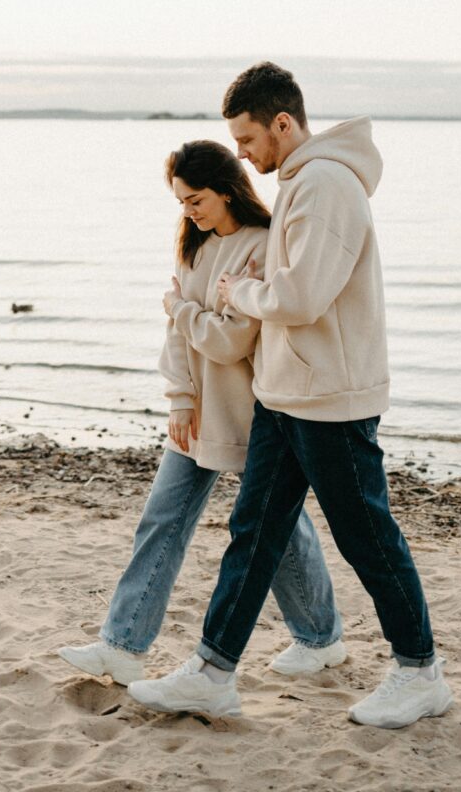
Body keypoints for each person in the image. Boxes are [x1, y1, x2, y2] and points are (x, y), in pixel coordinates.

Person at [128, 64, 453, 728]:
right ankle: (214, 672)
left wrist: (232, 293)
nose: (242, 156)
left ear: (283, 123)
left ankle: (421, 672)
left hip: (329, 399)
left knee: (367, 537)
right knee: (253, 535)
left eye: (248, 140)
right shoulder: (305, 183)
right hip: (283, 396)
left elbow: (300, 298)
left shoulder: (327, 185)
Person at [58, 139, 344, 692]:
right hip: (196, 415)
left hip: (250, 413)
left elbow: (233, 341)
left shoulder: (262, 247)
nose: (187, 210)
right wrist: (180, 398)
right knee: (162, 520)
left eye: (195, 199)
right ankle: (122, 647)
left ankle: (320, 637)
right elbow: (180, 338)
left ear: (227, 190)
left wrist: (181, 308)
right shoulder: (193, 246)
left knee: (278, 530)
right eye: (181, 201)